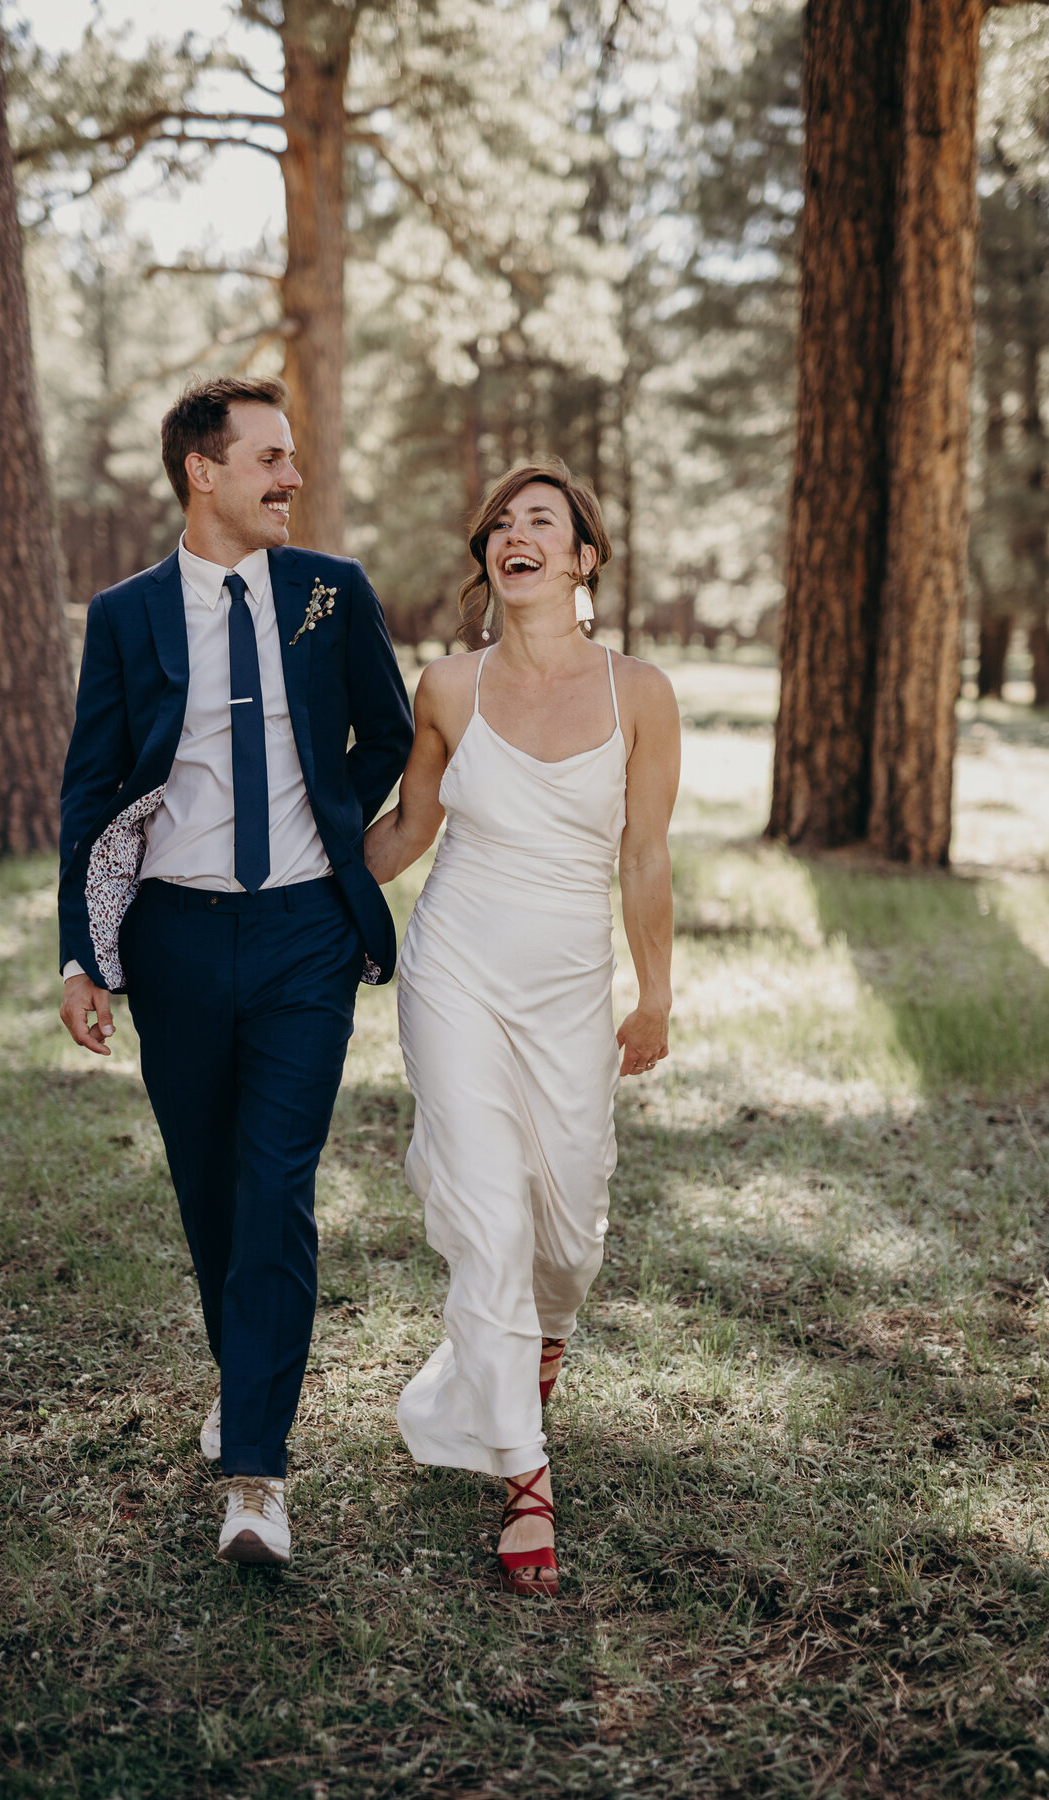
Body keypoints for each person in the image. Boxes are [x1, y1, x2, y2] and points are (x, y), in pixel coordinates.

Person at [58, 375, 413, 1565]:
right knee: (210, 1190)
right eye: (268, 458)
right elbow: (91, 787)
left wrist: (329, 818)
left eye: (292, 457)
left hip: (307, 935)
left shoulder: (331, 592)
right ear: (201, 472)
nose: (291, 477)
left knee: (274, 1190)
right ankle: (245, 1374)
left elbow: (389, 730)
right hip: (173, 937)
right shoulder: (126, 615)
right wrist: (82, 952)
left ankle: (256, 1475)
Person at [364, 458, 679, 1597]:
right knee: (490, 1217)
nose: (514, 533)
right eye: (500, 522)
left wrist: (655, 995)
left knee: (569, 1231)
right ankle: (524, 1476)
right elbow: (408, 832)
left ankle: (532, 1351)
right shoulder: (448, 687)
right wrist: (293, 882)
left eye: (540, 520)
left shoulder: (640, 694)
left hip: (569, 985)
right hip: (455, 968)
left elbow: (645, 858)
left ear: (583, 558)